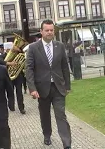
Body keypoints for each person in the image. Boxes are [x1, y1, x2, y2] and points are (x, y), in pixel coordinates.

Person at [25, 19, 72, 149]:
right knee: (45, 115)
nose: (50, 32)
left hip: (58, 88)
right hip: (42, 89)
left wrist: (67, 86)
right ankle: (47, 134)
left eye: (52, 30)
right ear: (41, 32)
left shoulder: (60, 46)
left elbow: (64, 67)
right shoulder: (33, 48)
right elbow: (29, 69)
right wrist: (32, 88)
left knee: (61, 115)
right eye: (47, 30)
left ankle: (66, 143)